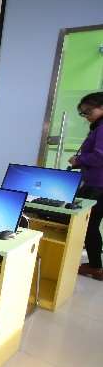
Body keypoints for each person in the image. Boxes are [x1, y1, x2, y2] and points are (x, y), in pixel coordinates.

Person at [70, 92, 103, 281]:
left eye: (88, 111)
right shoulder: (98, 127)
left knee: (88, 224)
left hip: (97, 185)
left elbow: (99, 157)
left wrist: (79, 160)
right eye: (83, 113)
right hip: (95, 182)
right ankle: (95, 264)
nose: (86, 116)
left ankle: (95, 267)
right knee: (91, 224)